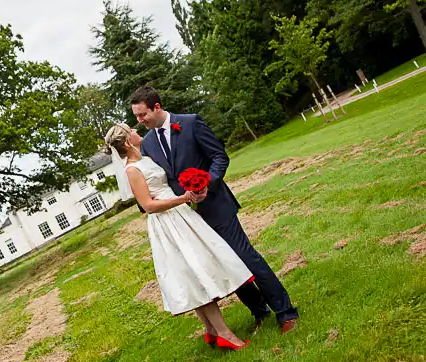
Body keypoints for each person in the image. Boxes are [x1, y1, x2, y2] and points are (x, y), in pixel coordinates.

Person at [128, 85, 299, 334]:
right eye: (136, 117)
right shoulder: (149, 144)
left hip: (216, 206)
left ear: (157, 107)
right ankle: (259, 311)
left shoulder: (191, 122)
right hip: (187, 218)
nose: (139, 121)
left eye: (142, 115)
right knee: (225, 264)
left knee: (246, 257)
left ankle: (285, 312)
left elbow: (220, 157)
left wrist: (207, 182)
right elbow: (153, 178)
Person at [103, 122, 252, 349]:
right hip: (169, 222)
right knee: (195, 271)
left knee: (193, 270)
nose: (136, 131)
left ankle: (212, 330)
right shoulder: (132, 170)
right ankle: (225, 334)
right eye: (131, 131)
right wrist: (184, 198)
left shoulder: (145, 157)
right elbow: (148, 205)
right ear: (126, 142)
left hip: (180, 215)